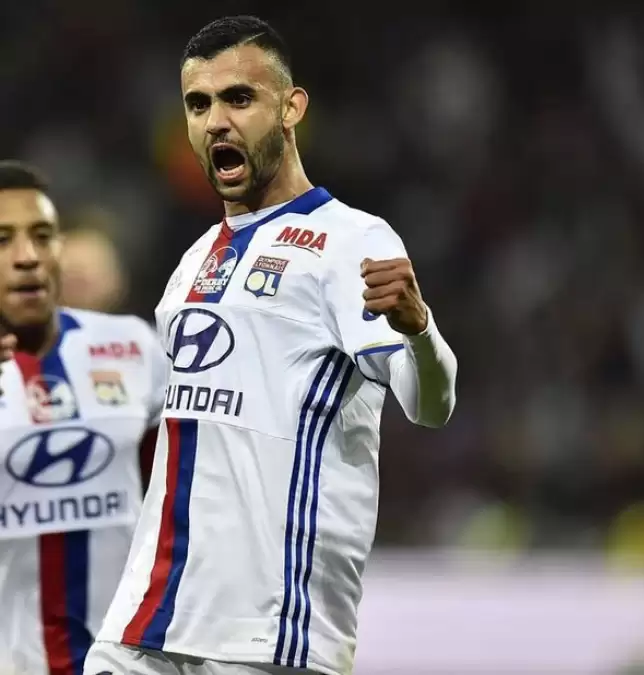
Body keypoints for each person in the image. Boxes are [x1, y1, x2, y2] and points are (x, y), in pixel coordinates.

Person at [86, 15, 458, 675]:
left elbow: (430, 405)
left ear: (291, 108)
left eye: (239, 98)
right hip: (148, 616)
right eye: (198, 104)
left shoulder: (352, 241)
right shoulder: (191, 262)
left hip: (269, 630)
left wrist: (419, 329)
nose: (216, 122)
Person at [0, 160, 167, 675]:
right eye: (3, 240)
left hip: (126, 662)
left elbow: (190, 491)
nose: (27, 256)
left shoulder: (133, 347)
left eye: (42, 235)